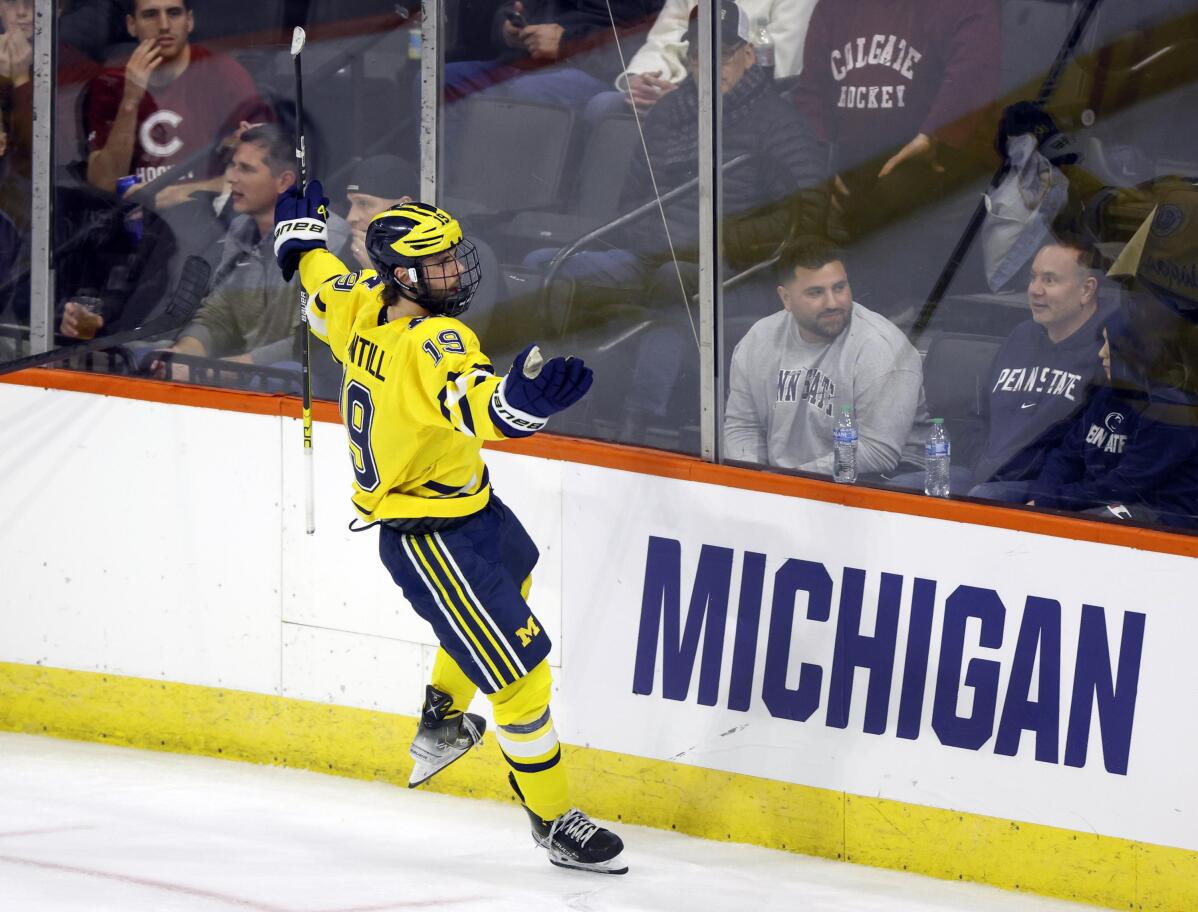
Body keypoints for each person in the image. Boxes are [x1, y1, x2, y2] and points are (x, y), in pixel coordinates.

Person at [273, 181, 626, 875]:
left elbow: (313, 274)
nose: (456, 271)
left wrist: (298, 237)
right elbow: (475, 407)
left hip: (469, 508)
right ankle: (554, 821)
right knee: (522, 681)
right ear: (402, 276)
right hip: (430, 536)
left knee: (518, 567)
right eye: (438, 265)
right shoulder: (435, 337)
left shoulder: (355, 303)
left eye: (452, 258)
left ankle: (441, 715)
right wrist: (521, 403)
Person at [790, 0, 1000, 315]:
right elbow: (811, 90)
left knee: (891, 205)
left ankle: (892, 317)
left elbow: (974, 70)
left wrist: (935, 134)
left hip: (936, 164)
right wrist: (817, 160)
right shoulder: (834, 7)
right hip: (848, 165)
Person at [148, 124, 347, 375]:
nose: (231, 177)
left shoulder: (327, 238)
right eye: (233, 165)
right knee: (151, 353)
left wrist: (218, 372)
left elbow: (312, 341)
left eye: (246, 169)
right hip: (242, 372)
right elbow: (220, 313)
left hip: (293, 386)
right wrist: (185, 353)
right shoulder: (240, 228)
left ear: (284, 181)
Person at [724, 236, 928, 475]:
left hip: (883, 483)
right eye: (815, 292)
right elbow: (742, 427)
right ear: (786, 298)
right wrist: (753, 481)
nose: (832, 302)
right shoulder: (759, 339)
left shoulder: (881, 348)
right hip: (787, 483)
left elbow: (877, 452)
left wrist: (792, 481)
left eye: (839, 288)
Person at [84, 0, 272, 206]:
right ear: (131, 25)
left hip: (209, 224)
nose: (164, 25)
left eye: (174, 13)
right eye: (150, 15)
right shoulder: (110, 84)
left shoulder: (222, 73)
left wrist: (179, 192)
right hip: (134, 225)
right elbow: (103, 183)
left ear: (189, 21)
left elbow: (265, 177)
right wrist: (130, 101)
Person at [968, 239, 1111, 501]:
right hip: (982, 476)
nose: (1035, 290)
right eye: (1033, 278)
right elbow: (979, 414)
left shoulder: (1106, 351)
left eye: (1049, 280)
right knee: (909, 486)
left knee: (984, 497)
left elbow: (1085, 447)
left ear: (1087, 290)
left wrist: (1041, 491)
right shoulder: (1020, 337)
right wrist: (980, 463)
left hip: (1045, 491)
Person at [1026, 318, 1198, 529]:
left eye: (1112, 345)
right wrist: (1042, 496)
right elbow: (1066, 455)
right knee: (987, 495)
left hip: (1159, 514)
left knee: (1083, 528)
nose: (1102, 353)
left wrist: (1052, 501)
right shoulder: (1108, 392)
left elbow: (1125, 485)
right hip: (1092, 495)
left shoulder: (1171, 409)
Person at [585, 0, 818, 122]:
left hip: (740, 102)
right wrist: (641, 80)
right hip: (677, 87)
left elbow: (777, 67)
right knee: (603, 105)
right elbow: (666, 35)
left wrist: (683, 99)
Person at [441, 0, 663, 109]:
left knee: (528, 92)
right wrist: (508, 30)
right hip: (525, 61)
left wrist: (567, 44)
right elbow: (513, 7)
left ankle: (513, 197)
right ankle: (449, 191)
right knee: (441, 81)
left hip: (597, 71)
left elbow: (650, 42)